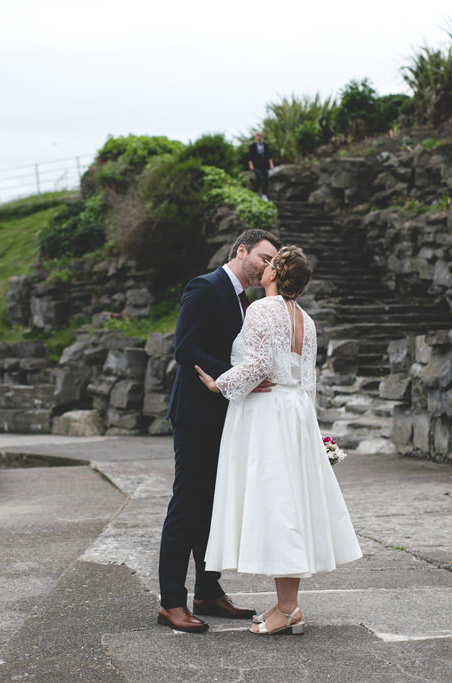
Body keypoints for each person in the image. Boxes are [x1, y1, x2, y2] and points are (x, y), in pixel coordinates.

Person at [195, 245, 363, 636]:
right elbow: (308, 379)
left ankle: (288, 609)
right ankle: (285, 604)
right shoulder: (306, 318)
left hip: (267, 415)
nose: (265, 266)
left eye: (272, 263)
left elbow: (257, 365)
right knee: (289, 501)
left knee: (277, 506)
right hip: (296, 411)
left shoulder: (261, 309)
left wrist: (218, 384)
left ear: (275, 274)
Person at [156, 228, 282, 634]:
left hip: (225, 414)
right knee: (187, 504)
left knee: (213, 506)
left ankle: (207, 592)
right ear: (241, 250)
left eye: (273, 262)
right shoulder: (205, 286)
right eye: (264, 258)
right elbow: (185, 348)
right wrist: (236, 377)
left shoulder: (246, 301)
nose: (268, 266)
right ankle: (170, 602)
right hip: (196, 414)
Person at [247, 131, 274, 200]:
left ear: (262, 136)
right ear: (255, 136)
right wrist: (251, 165)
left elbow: (269, 156)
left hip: (264, 165)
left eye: (260, 135)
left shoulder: (265, 145)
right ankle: (255, 192)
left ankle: (264, 194)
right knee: (259, 178)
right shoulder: (252, 146)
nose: (259, 137)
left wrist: (271, 164)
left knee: (266, 179)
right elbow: (250, 157)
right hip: (256, 165)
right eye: (258, 135)